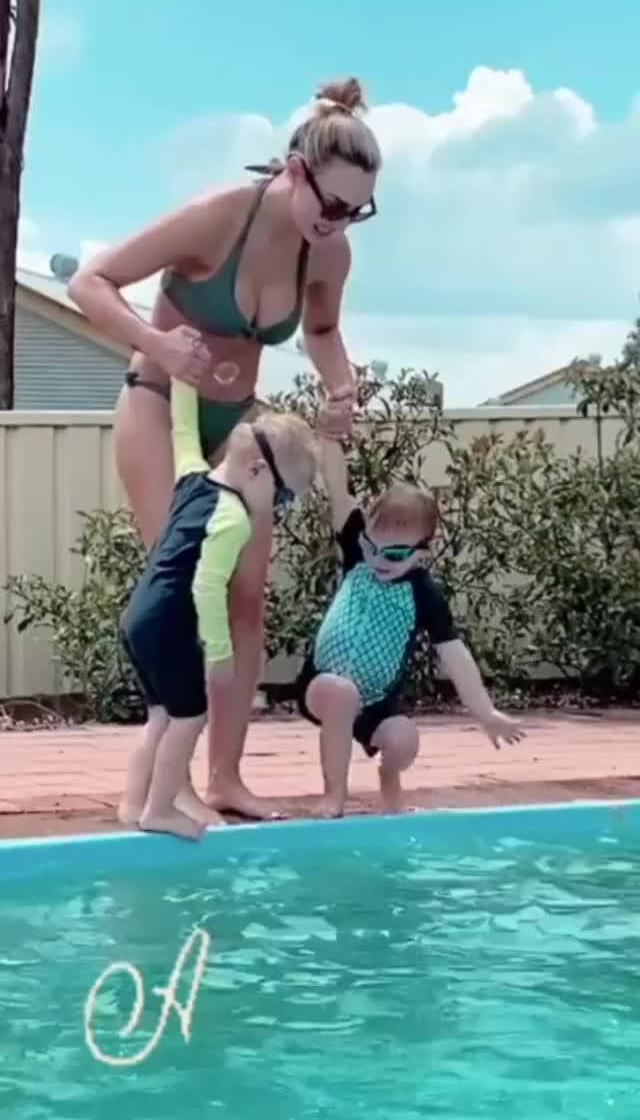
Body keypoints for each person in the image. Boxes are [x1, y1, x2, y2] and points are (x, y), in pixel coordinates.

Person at [68, 75, 380, 821]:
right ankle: (160, 784)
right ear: (293, 170)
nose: (338, 222)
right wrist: (156, 343)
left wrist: (341, 387)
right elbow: (91, 281)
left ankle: (226, 778)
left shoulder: (326, 254)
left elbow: (324, 333)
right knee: (181, 598)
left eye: (356, 210)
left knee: (245, 604)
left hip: (238, 433)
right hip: (157, 411)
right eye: (330, 203)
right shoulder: (218, 217)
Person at [119, 377, 317, 839]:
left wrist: (184, 376)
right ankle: (161, 809)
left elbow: (183, 432)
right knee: (189, 717)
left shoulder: (191, 478)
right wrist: (221, 653)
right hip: (169, 622)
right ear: (257, 474)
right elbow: (208, 587)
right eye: (284, 498)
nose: (280, 509)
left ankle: (134, 804)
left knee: (160, 717)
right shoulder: (231, 518)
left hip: (138, 618)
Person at [296, 425, 524, 817]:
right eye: (373, 546)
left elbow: (455, 656)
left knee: (404, 740)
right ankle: (335, 794)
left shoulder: (423, 593)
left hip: (376, 701)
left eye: (396, 553)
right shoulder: (356, 554)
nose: (380, 559)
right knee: (341, 693)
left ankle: (390, 778)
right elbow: (338, 489)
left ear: (423, 551)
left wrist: (486, 713)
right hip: (323, 685)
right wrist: (331, 436)